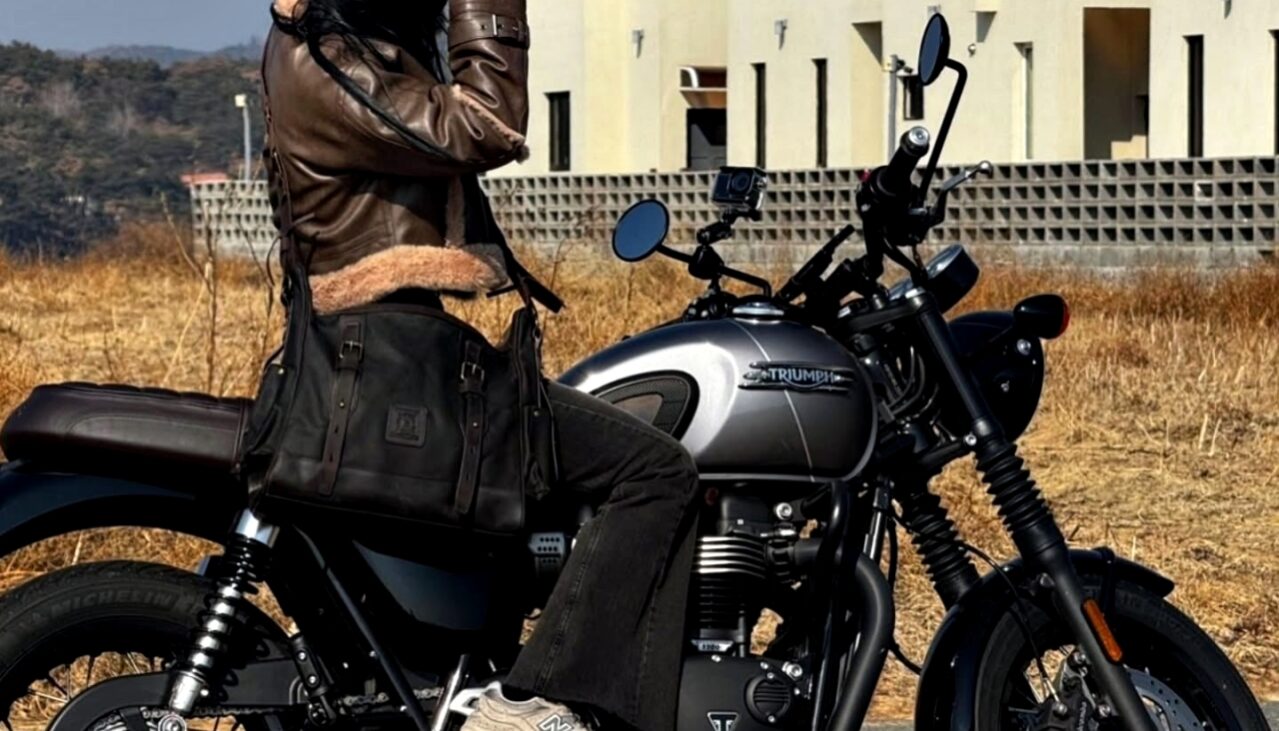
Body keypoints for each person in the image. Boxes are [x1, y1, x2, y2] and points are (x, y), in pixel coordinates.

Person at [261, 1, 702, 729]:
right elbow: (482, 123)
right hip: (382, 354)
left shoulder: (345, 42)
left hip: (385, 342)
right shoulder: (329, 59)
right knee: (656, 471)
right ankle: (533, 702)